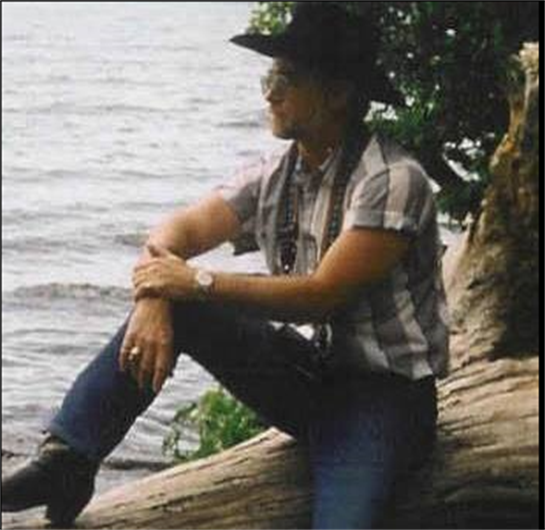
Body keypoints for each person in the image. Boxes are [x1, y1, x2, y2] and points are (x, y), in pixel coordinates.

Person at [2, 3, 449, 529]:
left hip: (387, 401)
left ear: (338, 94)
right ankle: (68, 460)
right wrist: (156, 295)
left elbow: (322, 295)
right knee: (183, 307)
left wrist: (194, 281)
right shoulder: (277, 173)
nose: (269, 93)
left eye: (287, 79)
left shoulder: (392, 179)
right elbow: (178, 231)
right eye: (269, 77)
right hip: (312, 377)